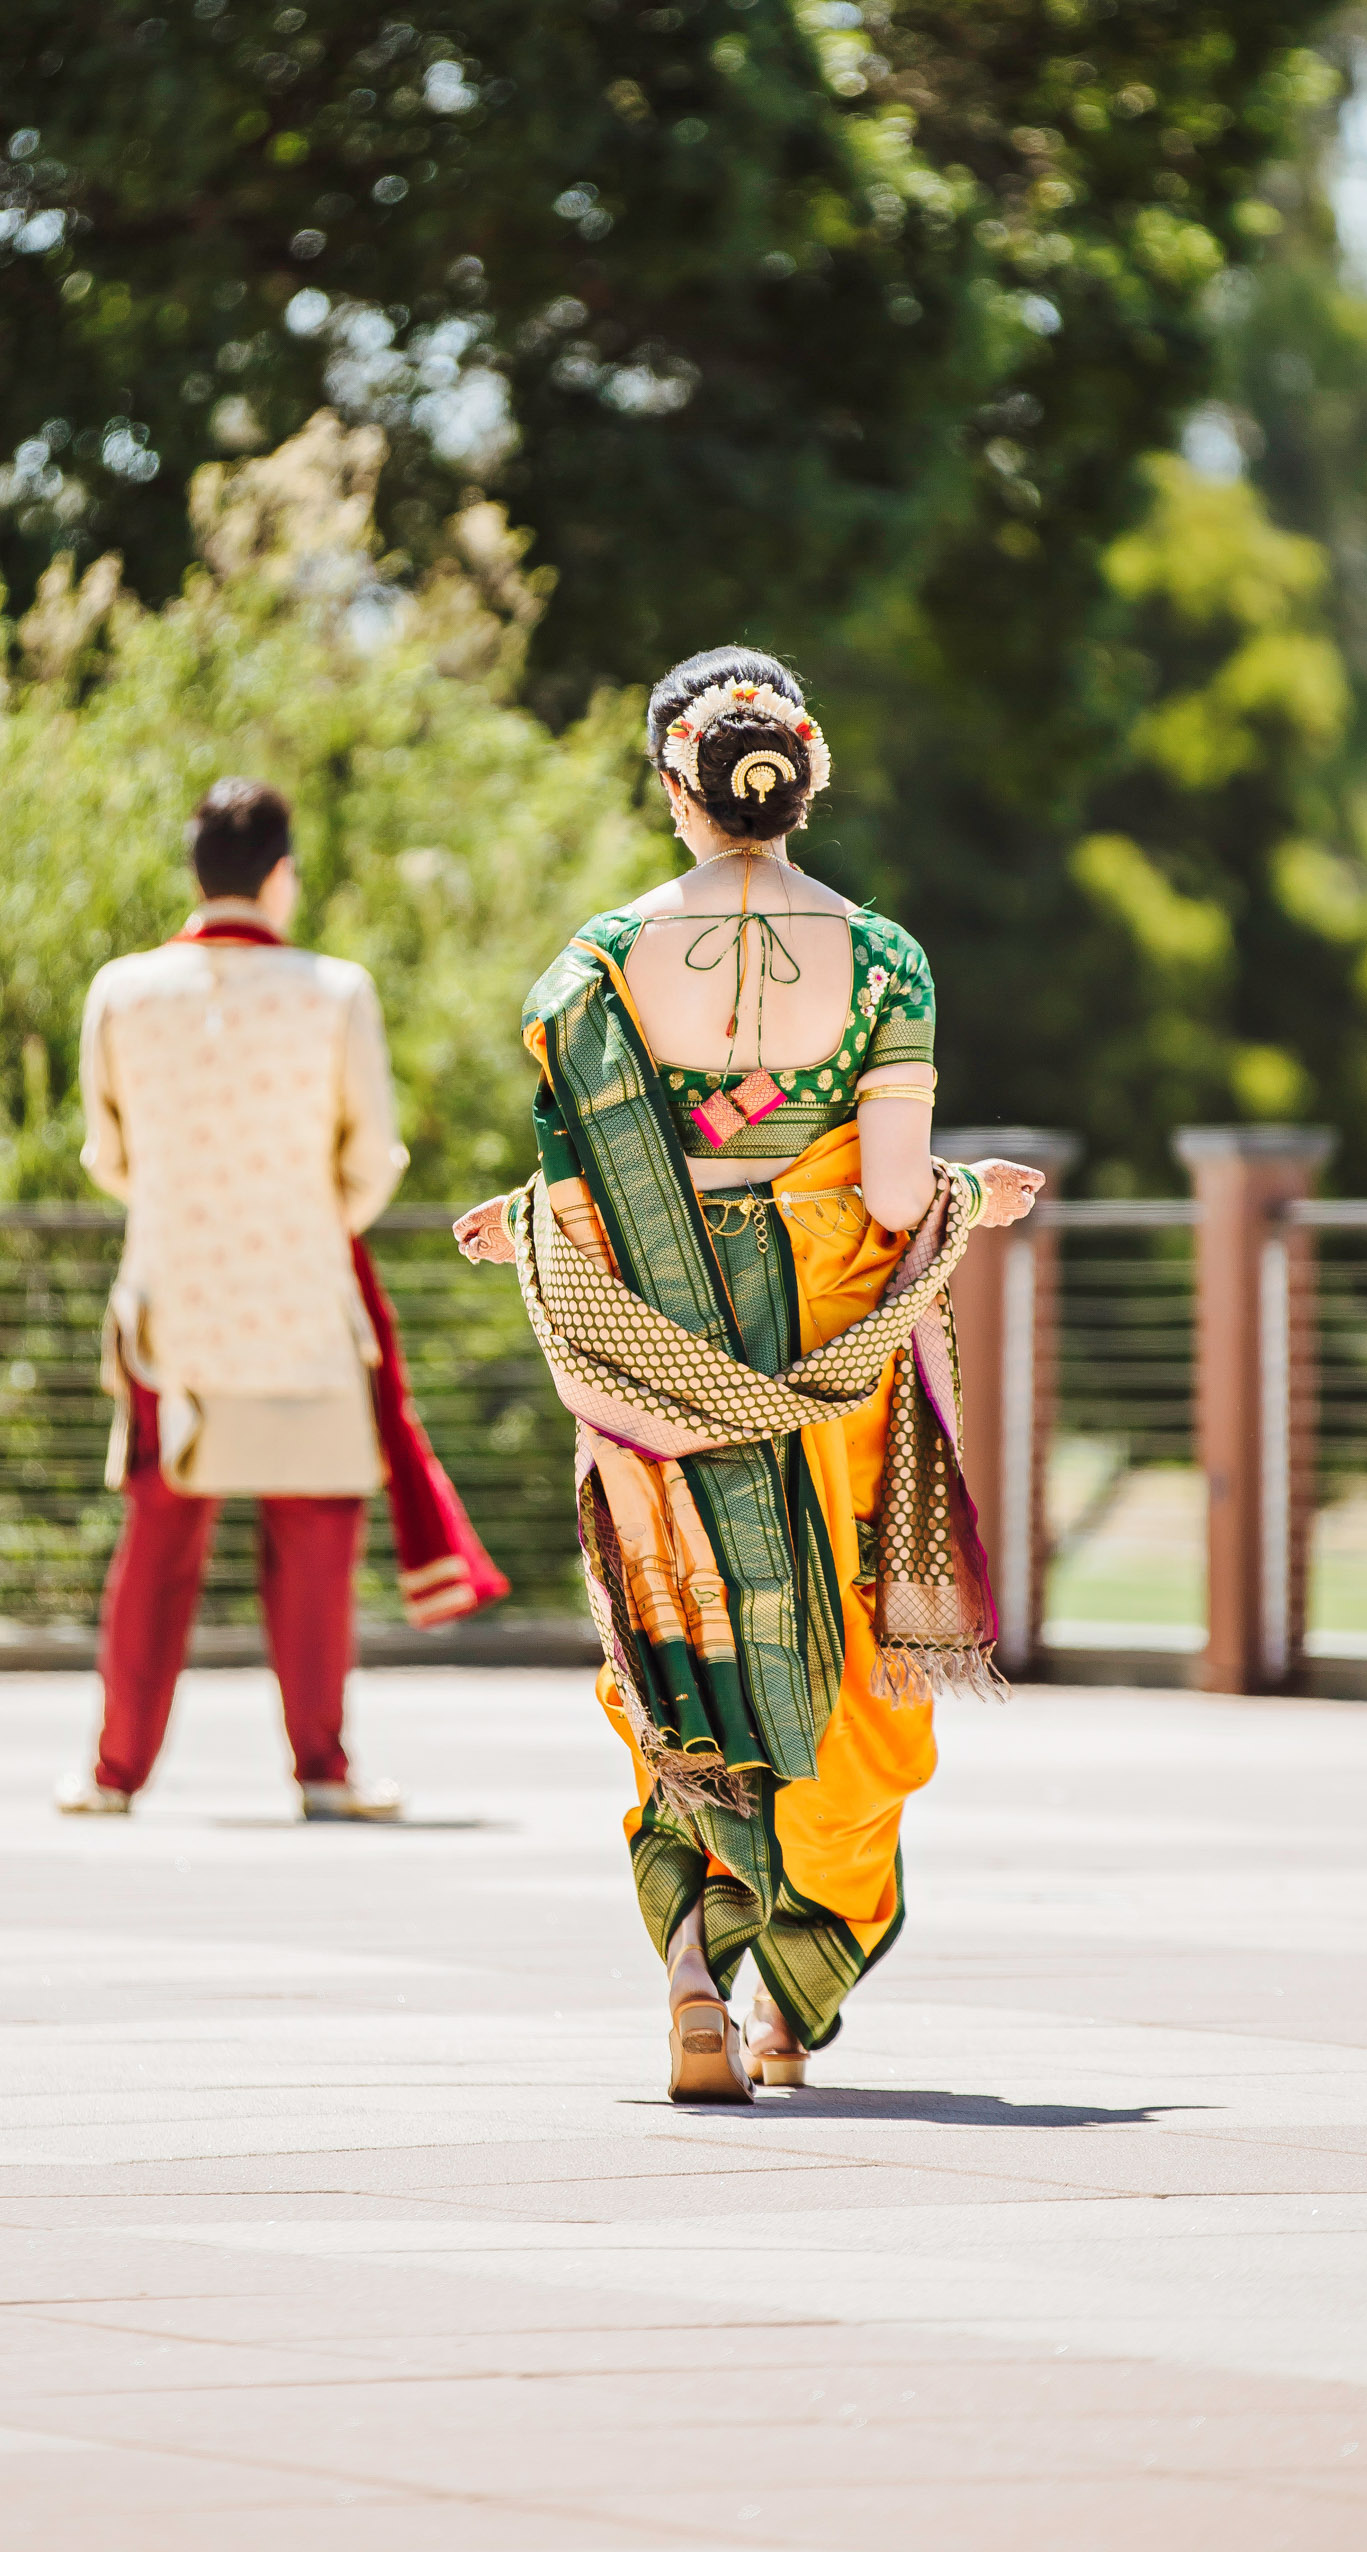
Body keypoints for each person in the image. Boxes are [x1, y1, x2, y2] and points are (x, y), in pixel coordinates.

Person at [455, 651, 1042, 2099]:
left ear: (674, 784)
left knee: (676, 1650)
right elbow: (899, 1199)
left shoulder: (591, 971)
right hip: (830, 1384)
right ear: (805, 774)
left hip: (657, 1389)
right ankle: (787, 2010)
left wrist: (522, 1226)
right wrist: (977, 1198)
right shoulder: (886, 959)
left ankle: (693, 1994)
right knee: (845, 1679)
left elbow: (585, 1192)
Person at [57, 777, 407, 1822]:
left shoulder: (121, 991)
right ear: (283, 877)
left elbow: (108, 1154)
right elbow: (369, 1158)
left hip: (176, 1310)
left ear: (195, 872)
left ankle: (114, 1773)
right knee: (314, 1540)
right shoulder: (335, 990)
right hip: (302, 1306)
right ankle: (322, 1770)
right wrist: (307, 1216)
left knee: (159, 1544)